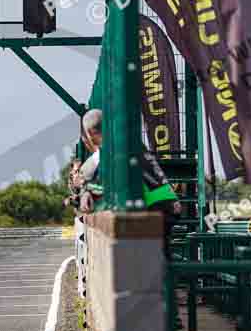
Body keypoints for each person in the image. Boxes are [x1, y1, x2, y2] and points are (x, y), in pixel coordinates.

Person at [77, 109, 181, 259]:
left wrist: (86, 190)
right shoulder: (124, 141)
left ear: (91, 134)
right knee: (157, 257)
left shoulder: (113, 150)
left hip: (155, 208)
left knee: (150, 261)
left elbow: (103, 184)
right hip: (164, 204)